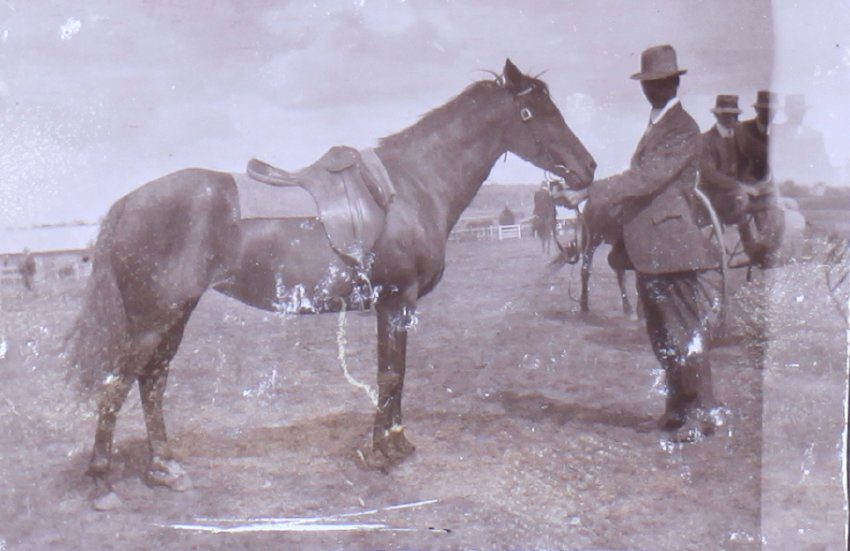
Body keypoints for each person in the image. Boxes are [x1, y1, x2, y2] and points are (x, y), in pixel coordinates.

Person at [557, 44, 722, 442]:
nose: (654, 89)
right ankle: (680, 408)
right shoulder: (657, 124)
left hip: (673, 246)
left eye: (661, 82)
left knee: (685, 333)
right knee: (662, 335)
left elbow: (647, 179)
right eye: (649, 83)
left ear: (675, 82)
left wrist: (588, 192)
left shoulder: (682, 128)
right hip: (650, 250)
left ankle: (702, 415)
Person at [737, 90, 784, 268]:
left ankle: (769, 252)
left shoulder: (778, 133)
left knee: (779, 212)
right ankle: (755, 251)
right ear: (757, 111)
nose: (769, 115)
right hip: (744, 181)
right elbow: (737, 160)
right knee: (747, 208)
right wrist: (749, 184)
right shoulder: (743, 129)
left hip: (767, 183)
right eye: (764, 111)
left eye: (772, 111)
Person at [698, 94, 748, 225]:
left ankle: (766, 240)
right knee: (741, 198)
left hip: (739, 191)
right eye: (727, 114)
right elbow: (709, 174)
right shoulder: (705, 140)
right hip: (715, 194)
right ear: (717, 115)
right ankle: (748, 239)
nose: (732, 118)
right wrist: (738, 186)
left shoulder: (742, 139)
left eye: (735, 115)